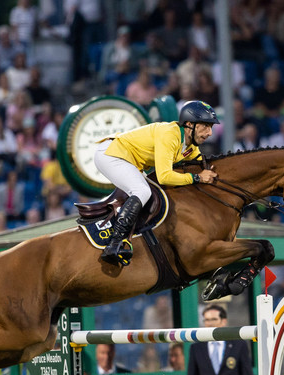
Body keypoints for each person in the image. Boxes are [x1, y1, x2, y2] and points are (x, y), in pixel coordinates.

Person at [94, 100, 219, 266]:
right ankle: (114, 243)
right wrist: (197, 178)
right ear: (189, 124)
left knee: (153, 193)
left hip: (130, 162)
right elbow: (165, 176)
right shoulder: (170, 134)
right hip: (111, 154)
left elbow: (202, 166)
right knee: (142, 191)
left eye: (211, 127)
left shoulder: (191, 147)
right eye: (205, 126)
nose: (210, 133)